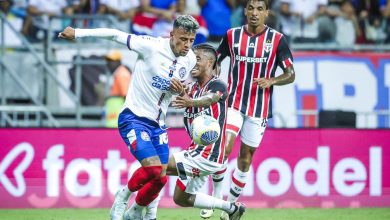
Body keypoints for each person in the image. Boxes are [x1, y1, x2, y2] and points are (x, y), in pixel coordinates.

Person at [58, 14, 199, 220]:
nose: (187, 45)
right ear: (172, 35)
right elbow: (115, 34)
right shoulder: (150, 45)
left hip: (158, 124)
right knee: (152, 170)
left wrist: (178, 91)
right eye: (182, 39)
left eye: (191, 41)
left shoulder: (190, 58)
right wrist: (78, 33)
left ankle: (135, 213)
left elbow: (168, 91)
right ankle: (123, 196)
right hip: (133, 117)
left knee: (160, 179)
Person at [201, 0, 296, 219]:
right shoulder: (232, 35)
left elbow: (291, 74)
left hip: (259, 109)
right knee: (224, 147)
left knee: (245, 159)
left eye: (259, 9)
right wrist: (212, 75)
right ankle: (215, 199)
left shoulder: (277, 40)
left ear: (266, 13)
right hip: (232, 102)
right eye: (251, 8)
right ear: (245, 11)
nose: (254, 13)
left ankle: (230, 205)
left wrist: (272, 80)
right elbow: (217, 59)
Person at [131, 43, 246, 220]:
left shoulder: (218, 85)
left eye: (197, 59)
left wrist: (191, 103)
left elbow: (211, 99)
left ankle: (142, 213)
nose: (193, 63)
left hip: (207, 154)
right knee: (181, 198)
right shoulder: (192, 88)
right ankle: (231, 209)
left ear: (209, 62)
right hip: (196, 151)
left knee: (158, 168)